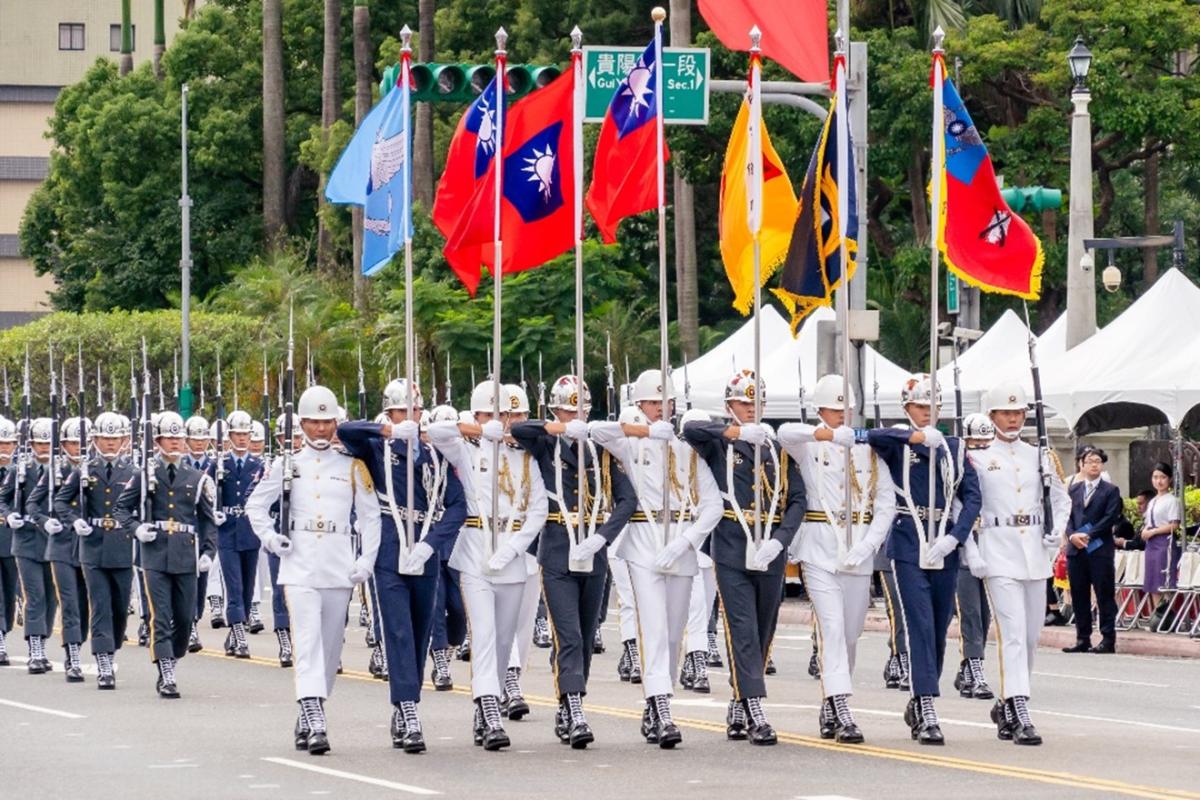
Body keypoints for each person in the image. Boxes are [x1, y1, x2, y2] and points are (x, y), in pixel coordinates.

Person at [590, 370, 722, 748]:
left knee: (673, 630)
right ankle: (662, 707)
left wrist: (687, 542)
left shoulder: (686, 450)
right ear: (640, 405)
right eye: (652, 403)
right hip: (643, 542)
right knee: (652, 626)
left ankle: (655, 700)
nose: (660, 409)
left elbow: (712, 505)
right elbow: (596, 430)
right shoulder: (630, 444)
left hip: (680, 543)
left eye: (666, 403)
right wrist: (645, 432)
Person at [246, 385, 381, 756]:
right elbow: (255, 507)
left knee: (331, 647)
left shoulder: (352, 466)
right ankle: (316, 718)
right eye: (313, 422)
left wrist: (365, 560)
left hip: (338, 565)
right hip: (300, 565)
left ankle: (309, 713)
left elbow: (371, 517)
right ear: (301, 424)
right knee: (307, 644)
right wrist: (272, 540)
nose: (321, 430)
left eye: (327, 422)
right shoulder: (286, 465)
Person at [338, 382, 467, 754]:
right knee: (396, 629)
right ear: (390, 413)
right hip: (389, 547)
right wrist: (388, 432)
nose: (410, 416)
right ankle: (408, 708)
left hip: (423, 543)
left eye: (414, 411)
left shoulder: (433, 455)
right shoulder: (378, 449)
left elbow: (457, 505)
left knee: (420, 629)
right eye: (401, 411)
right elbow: (345, 431)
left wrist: (431, 544)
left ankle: (405, 700)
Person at [511, 375, 637, 749]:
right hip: (556, 549)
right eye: (567, 408)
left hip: (593, 548)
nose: (575, 414)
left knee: (585, 634)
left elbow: (627, 499)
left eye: (581, 408)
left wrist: (603, 536)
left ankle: (569, 701)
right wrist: (561, 427)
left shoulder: (600, 450)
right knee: (567, 634)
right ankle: (575, 706)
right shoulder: (546, 443)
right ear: (554, 410)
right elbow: (520, 429)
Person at [681, 370, 805, 746]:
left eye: (756, 403)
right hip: (732, 544)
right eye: (743, 403)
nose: (750, 410)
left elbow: (798, 499)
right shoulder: (720, 443)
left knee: (764, 629)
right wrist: (733, 432)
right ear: (729, 406)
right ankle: (755, 710)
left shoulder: (776, 447)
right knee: (742, 628)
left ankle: (738, 701)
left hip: (769, 548)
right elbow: (689, 429)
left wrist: (781, 540)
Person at [426, 381, 548, 751]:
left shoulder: (525, 458)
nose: (504, 422)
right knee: (484, 635)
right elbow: (434, 431)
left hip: (512, 555)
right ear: (477, 415)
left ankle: (485, 704)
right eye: (494, 414)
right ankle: (491, 711)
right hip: (476, 553)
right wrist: (479, 430)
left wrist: (512, 550)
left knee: (504, 639)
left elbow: (538, 509)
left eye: (509, 416)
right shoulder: (466, 451)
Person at [862, 374, 981, 745]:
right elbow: (870, 436)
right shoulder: (900, 442)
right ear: (906, 408)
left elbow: (972, 497)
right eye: (918, 406)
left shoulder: (954, 448)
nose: (926, 412)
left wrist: (954, 537)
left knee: (939, 626)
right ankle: (927, 702)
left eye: (932, 406)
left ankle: (921, 693)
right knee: (918, 624)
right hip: (909, 543)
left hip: (943, 543)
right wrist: (913, 437)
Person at [778, 374, 896, 744]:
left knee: (849, 633)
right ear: (820, 409)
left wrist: (868, 546)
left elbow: (886, 503)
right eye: (833, 407)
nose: (841, 413)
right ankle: (843, 707)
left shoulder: (868, 449)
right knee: (830, 629)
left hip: (857, 551)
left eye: (846, 407)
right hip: (818, 549)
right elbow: (784, 433)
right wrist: (827, 435)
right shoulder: (810, 445)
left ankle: (830, 701)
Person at [967, 385, 1070, 746]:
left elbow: (1060, 497)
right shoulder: (977, 456)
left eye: (1018, 413)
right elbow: (966, 506)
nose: (1013, 418)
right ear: (991, 416)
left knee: (1029, 637)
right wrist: (971, 550)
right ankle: (1021, 707)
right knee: (1011, 632)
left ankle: (1006, 702)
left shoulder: (1038, 454)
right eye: (1005, 413)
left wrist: (1056, 531)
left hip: (1035, 554)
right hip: (998, 550)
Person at [116, 411, 219, 698]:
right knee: (160, 615)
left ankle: (173, 655)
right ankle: (166, 670)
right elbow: (121, 509)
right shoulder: (145, 475)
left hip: (186, 554)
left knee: (186, 617)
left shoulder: (197, 478)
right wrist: (137, 529)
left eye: (178, 437)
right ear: (158, 440)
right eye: (168, 437)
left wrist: (209, 552)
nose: (174, 443)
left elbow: (208, 520)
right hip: (155, 553)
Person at [54, 412, 136, 689]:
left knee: (120, 607)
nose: (110, 443)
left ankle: (110, 648)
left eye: (115, 438)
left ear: (124, 439)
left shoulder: (135, 472)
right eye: (104, 438)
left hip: (123, 545)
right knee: (99, 604)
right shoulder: (84, 470)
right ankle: (104, 663)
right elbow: (61, 502)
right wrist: (75, 520)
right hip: (92, 545)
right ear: (95, 439)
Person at [2, 418, 58, 674]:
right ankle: (33, 648)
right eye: (39, 443)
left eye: (48, 442)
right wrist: (9, 514)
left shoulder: (63, 471)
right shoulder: (21, 471)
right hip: (25, 541)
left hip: (54, 543)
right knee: (33, 596)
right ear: (31, 444)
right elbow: (3, 500)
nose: (44, 447)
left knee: (51, 597)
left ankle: (42, 641)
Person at [1062, 446, 1123, 654]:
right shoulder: (1074, 489)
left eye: (1098, 461)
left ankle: (1108, 638)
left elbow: (1110, 517)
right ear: (1081, 464)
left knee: (1103, 593)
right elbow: (1066, 516)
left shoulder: (1110, 490)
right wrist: (1072, 535)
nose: (1094, 465)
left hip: (1099, 550)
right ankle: (1082, 637)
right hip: (1076, 549)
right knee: (1078, 594)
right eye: (1090, 461)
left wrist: (1089, 535)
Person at [953, 413, 996, 702]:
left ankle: (967, 668)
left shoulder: (998, 467)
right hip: (964, 545)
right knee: (970, 612)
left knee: (986, 613)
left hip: (992, 544)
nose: (980, 446)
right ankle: (977, 671)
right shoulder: (957, 467)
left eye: (985, 441)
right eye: (974, 441)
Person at [215, 409, 264, 658]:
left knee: (247, 588)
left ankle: (233, 634)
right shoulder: (219, 465)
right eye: (237, 434)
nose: (242, 438)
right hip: (227, 532)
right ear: (229, 436)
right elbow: (206, 494)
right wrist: (213, 512)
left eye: (246, 434)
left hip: (250, 532)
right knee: (233, 586)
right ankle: (241, 637)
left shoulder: (259, 466)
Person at [1141, 463, 1182, 629]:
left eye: (1163, 477)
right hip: (1151, 543)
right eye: (1156, 477)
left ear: (1169, 479)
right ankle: (1156, 617)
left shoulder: (1172, 500)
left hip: (1164, 542)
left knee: (1164, 581)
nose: (1159, 481)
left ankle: (1165, 617)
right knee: (1152, 581)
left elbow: (1174, 525)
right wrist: (1146, 530)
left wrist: (1153, 532)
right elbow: (1148, 522)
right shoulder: (1153, 501)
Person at [0, 418, 18, 666]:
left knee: (10, 592)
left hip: (12, 540)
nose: (4, 448)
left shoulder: (19, 472)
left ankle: (6, 628)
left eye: (8, 443)